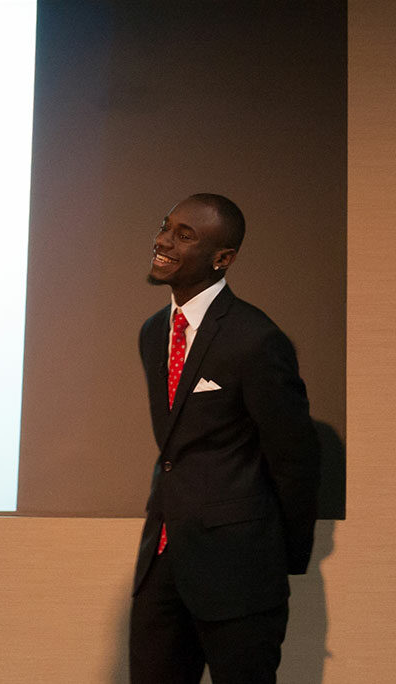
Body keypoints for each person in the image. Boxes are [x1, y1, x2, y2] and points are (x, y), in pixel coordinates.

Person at [130, 193, 321, 683]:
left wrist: (279, 561)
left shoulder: (255, 338)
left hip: (240, 571)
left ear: (223, 258)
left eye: (184, 235)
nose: (163, 241)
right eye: (165, 226)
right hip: (164, 561)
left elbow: (294, 458)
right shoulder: (154, 332)